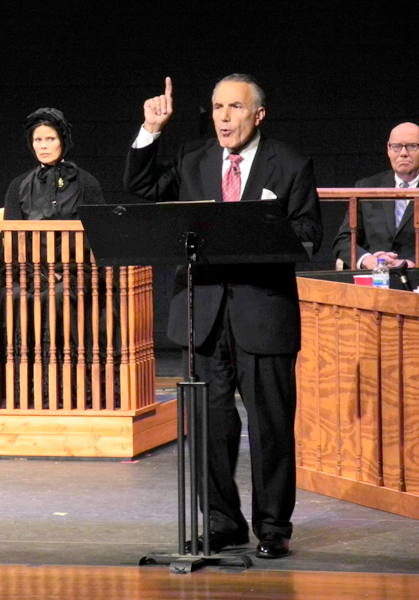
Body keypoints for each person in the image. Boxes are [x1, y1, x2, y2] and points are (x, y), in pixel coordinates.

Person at [124, 75, 323, 559]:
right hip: (204, 314)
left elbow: (309, 236)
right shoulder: (194, 158)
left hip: (263, 314)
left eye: (235, 107)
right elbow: (142, 188)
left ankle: (273, 527)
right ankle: (221, 522)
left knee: (271, 427)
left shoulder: (290, 164)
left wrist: (258, 231)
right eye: (217, 107)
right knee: (210, 427)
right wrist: (151, 129)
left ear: (258, 115)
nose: (224, 117)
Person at [0, 108, 106, 408]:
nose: (43, 145)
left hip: (76, 271)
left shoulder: (85, 183)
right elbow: (12, 237)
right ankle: (20, 387)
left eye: (50, 138)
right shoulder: (18, 185)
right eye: (38, 139)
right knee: (15, 295)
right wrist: (34, 270)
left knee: (58, 295)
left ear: (63, 141)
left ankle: (68, 388)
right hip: (31, 271)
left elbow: (97, 235)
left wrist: (66, 269)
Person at [332, 122, 419, 269]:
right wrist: (368, 260)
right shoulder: (366, 187)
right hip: (373, 280)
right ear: (388, 149)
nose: (403, 153)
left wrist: (410, 263)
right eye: (397, 146)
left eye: (412, 146)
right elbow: (343, 240)